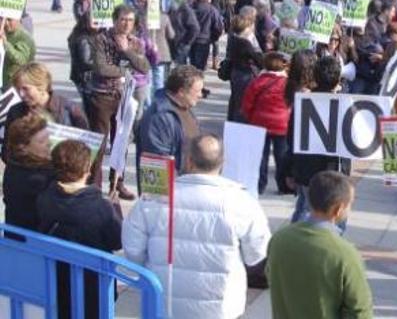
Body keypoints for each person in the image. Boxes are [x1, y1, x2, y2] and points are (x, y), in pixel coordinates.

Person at [123, 134, 271, 319]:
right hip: (220, 307)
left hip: (163, 302)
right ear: (222, 162)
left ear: (189, 160)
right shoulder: (242, 201)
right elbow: (256, 254)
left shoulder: (155, 198)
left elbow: (133, 250)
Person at [266, 171, 373, 318]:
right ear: (338, 209)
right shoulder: (345, 254)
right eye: (350, 204)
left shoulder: (279, 239)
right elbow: (360, 311)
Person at [37, 140, 123, 319]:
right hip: (93, 286)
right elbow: (117, 241)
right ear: (87, 169)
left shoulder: (45, 199)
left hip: (56, 281)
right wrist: (114, 208)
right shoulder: (100, 206)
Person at [83, 5, 149, 196]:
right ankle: (94, 183)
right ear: (114, 20)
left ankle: (117, 183)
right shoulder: (101, 39)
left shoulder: (135, 43)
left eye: (130, 20)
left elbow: (144, 66)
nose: (127, 24)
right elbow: (101, 68)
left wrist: (127, 51)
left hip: (124, 96)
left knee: (121, 140)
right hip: (102, 97)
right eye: (123, 19)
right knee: (100, 142)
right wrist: (126, 71)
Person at [289, 56, 351, 226]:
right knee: (336, 215)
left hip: (306, 168)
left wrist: (289, 169)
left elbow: (291, 137)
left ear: (315, 77)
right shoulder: (345, 104)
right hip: (333, 170)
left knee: (304, 208)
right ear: (338, 79)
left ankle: (297, 238)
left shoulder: (304, 101)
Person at [3, 63, 89, 162]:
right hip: (23, 172)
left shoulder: (70, 110)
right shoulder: (15, 111)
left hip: (58, 173)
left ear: (42, 86)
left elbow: (85, 152)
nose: (21, 94)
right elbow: (7, 151)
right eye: (18, 89)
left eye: (26, 89)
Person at [136, 65, 203, 177]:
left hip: (188, 182)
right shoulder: (159, 118)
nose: (200, 95)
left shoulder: (184, 107)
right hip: (175, 188)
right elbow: (158, 163)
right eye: (198, 91)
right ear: (181, 91)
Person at [241, 52, 292, 195]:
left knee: (260, 157)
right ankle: (283, 185)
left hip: (259, 123)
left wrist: (250, 118)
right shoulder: (287, 83)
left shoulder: (257, 81)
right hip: (282, 125)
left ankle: (259, 185)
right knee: (281, 157)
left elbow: (247, 103)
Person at [2, 115, 53, 231]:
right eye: (42, 141)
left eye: (48, 138)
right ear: (23, 148)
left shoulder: (14, 163)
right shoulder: (39, 178)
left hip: (15, 235)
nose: (49, 144)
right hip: (33, 242)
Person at [225, 13, 263, 121]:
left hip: (235, 72)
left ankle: (232, 121)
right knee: (243, 102)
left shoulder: (233, 38)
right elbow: (258, 59)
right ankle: (239, 123)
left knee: (236, 100)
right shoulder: (245, 43)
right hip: (245, 74)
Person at [1, 17, 36, 89]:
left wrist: (5, 43)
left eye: (9, 20)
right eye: (2, 19)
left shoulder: (24, 37)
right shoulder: (4, 32)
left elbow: (21, 60)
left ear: (18, 20)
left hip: (14, 84)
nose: (6, 23)